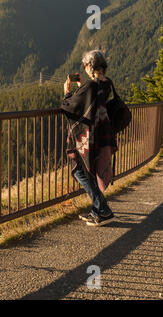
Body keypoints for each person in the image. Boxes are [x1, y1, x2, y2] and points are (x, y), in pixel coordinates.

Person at [60, 50, 118, 227]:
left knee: (79, 171)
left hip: (88, 137)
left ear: (89, 66)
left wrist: (67, 92)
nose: (84, 68)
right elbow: (90, 101)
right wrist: (83, 86)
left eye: (85, 65)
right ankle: (97, 210)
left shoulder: (91, 86)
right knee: (90, 171)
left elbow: (69, 107)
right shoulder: (107, 83)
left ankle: (103, 209)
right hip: (102, 134)